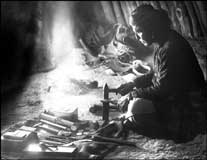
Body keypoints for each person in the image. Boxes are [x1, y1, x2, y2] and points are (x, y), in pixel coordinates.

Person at [116, 4, 206, 142]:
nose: (136, 36)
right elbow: (159, 74)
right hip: (175, 97)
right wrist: (134, 83)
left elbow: (163, 89)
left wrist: (133, 94)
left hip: (191, 106)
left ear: (150, 27)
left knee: (136, 109)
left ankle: (174, 131)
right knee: (136, 103)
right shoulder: (165, 41)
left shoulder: (171, 48)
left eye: (138, 31)